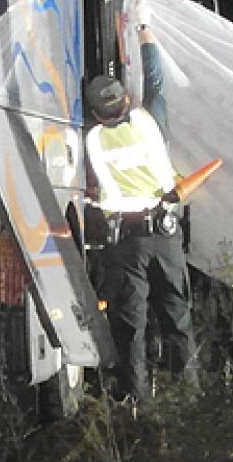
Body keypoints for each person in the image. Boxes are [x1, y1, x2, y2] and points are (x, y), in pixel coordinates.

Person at [84, 23, 195, 406]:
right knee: (175, 313)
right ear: (127, 100)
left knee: (130, 321)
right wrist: (147, 35)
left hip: (124, 240)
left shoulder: (93, 138)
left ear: (97, 115)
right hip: (163, 235)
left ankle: (136, 397)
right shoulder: (150, 123)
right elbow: (156, 82)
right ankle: (187, 397)